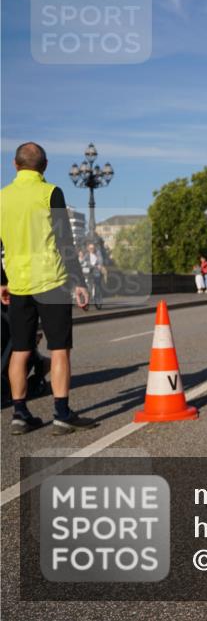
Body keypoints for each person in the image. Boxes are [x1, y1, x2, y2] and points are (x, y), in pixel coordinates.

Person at [0, 142, 97, 435]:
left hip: (18, 283)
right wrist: (78, 282)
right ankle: (61, 413)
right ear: (44, 166)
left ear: (15, 165)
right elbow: (65, 241)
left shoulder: (2, 197)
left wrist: (2, 279)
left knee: (20, 350)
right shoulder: (50, 192)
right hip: (51, 281)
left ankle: (19, 414)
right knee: (59, 349)